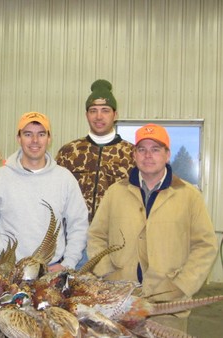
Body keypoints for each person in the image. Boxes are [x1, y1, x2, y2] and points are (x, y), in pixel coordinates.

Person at [87, 123, 218, 332]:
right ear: (134, 155)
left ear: (167, 155)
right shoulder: (115, 193)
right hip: (120, 303)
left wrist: (182, 285)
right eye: (142, 149)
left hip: (168, 307)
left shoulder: (188, 195)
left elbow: (205, 245)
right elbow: (96, 236)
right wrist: (106, 271)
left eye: (155, 149)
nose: (148, 155)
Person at [0, 112, 89, 272]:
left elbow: (78, 224)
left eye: (41, 134)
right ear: (19, 138)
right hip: (7, 270)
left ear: (49, 139)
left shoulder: (64, 178)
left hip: (50, 272)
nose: (35, 141)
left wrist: (68, 264)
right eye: (28, 134)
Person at [56, 79, 135, 223]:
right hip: (75, 235)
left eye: (105, 110)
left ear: (115, 115)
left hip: (117, 235)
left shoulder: (131, 153)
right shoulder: (69, 152)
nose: (99, 117)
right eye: (93, 111)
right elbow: (56, 194)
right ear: (87, 115)